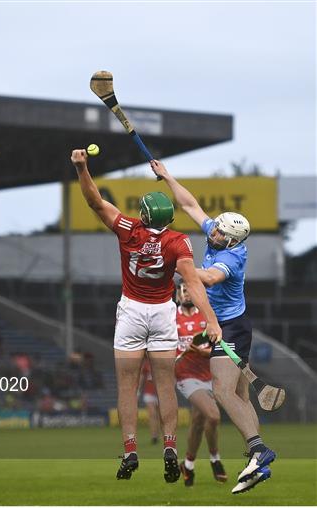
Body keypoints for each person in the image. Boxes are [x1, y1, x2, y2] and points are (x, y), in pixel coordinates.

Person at [71, 149, 222, 483]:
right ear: (168, 218)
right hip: (162, 314)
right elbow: (193, 283)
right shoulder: (178, 242)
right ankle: (170, 447)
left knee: (128, 386)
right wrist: (210, 319)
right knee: (166, 384)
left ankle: (130, 452)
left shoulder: (129, 229)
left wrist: (82, 168)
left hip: (132, 312)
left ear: (143, 214)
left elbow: (96, 202)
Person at [150, 159, 276, 494]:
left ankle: (259, 452)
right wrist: (168, 177)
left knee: (221, 391)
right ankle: (257, 454)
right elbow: (190, 204)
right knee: (237, 394)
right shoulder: (221, 235)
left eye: (220, 233)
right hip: (229, 325)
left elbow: (207, 277)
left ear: (232, 241)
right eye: (215, 228)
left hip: (230, 328)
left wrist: (178, 262)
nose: (213, 232)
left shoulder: (230, 259)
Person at [174, 281, 227, 486]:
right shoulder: (171, 318)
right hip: (186, 376)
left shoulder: (207, 316)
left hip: (209, 375)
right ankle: (215, 460)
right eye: (181, 291)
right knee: (213, 416)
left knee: (198, 422)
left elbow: (217, 348)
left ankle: (187, 465)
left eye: (188, 290)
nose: (185, 294)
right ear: (178, 296)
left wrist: (198, 351)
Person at [138, 359, 161, 445]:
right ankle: (154, 436)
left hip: (160, 392)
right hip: (149, 392)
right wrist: (138, 390)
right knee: (152, 414)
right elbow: (142, 377)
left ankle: (159, 434)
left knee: (160, 416)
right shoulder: (146, 363)